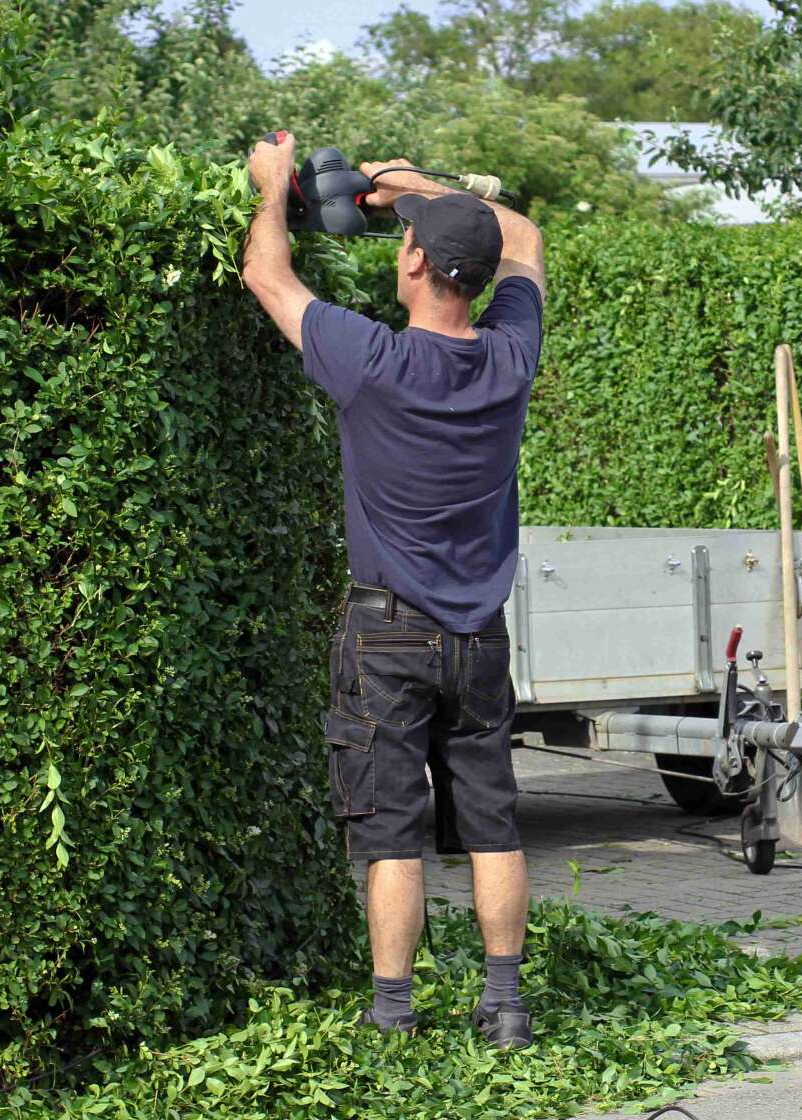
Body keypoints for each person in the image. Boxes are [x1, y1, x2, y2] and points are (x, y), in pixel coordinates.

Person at [241, 133, 544, 1049]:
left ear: (411, 264)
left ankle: (393, 1015)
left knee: (390, 835)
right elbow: (522, 235)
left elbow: (266, 272)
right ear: (478, 280)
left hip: (386, 636)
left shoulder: (369, 359)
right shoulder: (509, 358)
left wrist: (270, 187)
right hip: (479, 634)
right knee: (492, 821)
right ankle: (505, 1006)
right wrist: (412, 192)